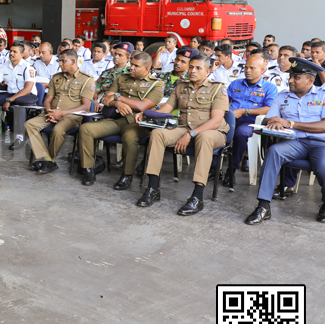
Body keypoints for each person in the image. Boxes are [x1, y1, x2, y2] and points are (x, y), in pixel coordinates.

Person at [135, 55, 229, 215]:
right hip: (184, 128)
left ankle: (197, 197)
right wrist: (145, 113)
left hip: (213, 132)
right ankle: (153, 188)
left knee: (204, 137)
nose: (193, 71)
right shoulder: (181, 87)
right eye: (191, 67)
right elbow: (166, 110)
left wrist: (190, 134)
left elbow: (215, 121)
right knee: (158, 134)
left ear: (207, 70)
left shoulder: (218, 88)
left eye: (198, 68)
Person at [245, 58, 325, 225]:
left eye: (296, 77)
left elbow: (323, 126)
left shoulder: (323, 95)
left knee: (322, 164)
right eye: (291, 76)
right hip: (295, 142)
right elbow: (268, 119)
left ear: (310, 80)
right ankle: (263, 205)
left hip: (320, 143)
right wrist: (273, 122)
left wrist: (291, 123)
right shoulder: (283, 96)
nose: (290, 80)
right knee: (274, 151)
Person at [77, 52, 163, 188]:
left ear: (147, 69)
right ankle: (88, 169)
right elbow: (106, 99)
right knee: (86, 129)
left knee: (129, 137)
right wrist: (116, 104)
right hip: (116, 119)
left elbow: (142, 105)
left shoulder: (156, 84)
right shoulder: (122, 78)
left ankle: (127, 175)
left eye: (136, 66)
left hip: (137, 123)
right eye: (131, 64)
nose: (131, 68)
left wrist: (119, 98)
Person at [24, 50, 95, 174]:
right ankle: (45, 158)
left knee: (58, 130)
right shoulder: (57, 77)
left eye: (63, 61)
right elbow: (48, 99)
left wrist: (61, 113)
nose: (60, 64)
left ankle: (50, 160)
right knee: (29, 124)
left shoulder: (86, 79)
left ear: (73, 61)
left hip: (71, 117)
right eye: (59, 61)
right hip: (52, 113)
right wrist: (50, 112)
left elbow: (86, 106)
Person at [223, 56, 277, 189]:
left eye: (252, 68)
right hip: (230, 118)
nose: (247, 70)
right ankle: (213, 168)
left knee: (241, 134)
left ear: (263, 70)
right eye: (246, 67)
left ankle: (231, 171)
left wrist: (244, 111)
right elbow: (224, 101)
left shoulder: (270, 88)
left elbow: (269, 108)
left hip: (250, 121)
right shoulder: (235, 83)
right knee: (213, 130)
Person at [0, 44, 38, 149]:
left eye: (15, 52)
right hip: (10, 94)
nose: (11, 54)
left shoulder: (28, 67)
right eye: (11, 51)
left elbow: (27, 89)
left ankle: (20, 137)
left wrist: (9, 100)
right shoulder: (6, 65)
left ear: (22, 54)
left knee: (19, 105)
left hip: (26, 95)